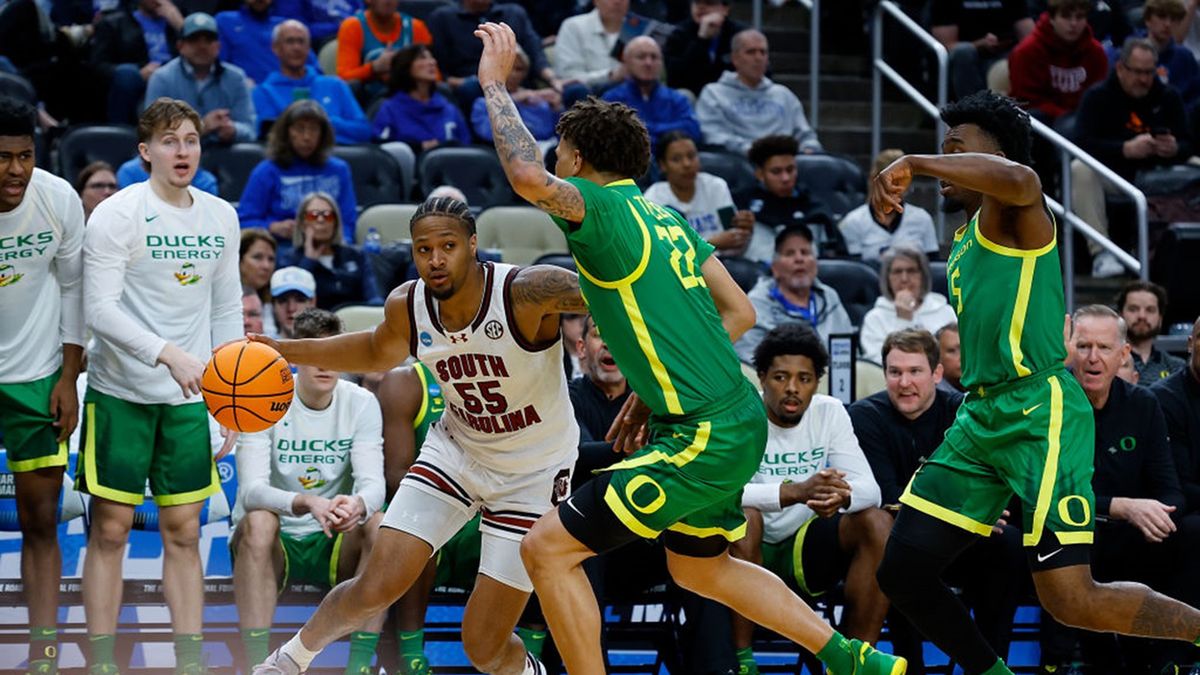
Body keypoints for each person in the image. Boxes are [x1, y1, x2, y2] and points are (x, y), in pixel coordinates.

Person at [473, 22, 906, 675]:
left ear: (580, 158)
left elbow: (524, 175)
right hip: (728, 416)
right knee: (700, 566)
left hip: (704, 431)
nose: (555, 157)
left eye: (560, 147)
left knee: (546, 548)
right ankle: (847, 655)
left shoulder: (602, 210)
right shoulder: (663, 217)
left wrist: (492, 84)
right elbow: (739, 311)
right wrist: (659, 388)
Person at [870, 89, 1200, 675]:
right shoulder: (966, 234)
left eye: (957, 150)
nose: (945, 162)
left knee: (1071, 601)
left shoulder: (1020, 208)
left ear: (991, 159)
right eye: (940, 151)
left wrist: (916, 163)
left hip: (1039, 412)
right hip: (980, 416)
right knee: (902, 571)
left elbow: (1018, 177)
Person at [250, 196, 588, 675]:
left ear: (474, 245)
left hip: (533, 472)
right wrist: (283, 348)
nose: (435, 259)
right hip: (457, 451)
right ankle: (290, 660)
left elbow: (614, 296)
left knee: (484, 646)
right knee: (376, 586)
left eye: (447, 245)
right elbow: (373, 350)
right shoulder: (408, 305)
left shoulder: (527, 290)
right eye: (422, 248)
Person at [79, 97, 241, 675]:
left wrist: (230, 406)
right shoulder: (116, 215)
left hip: (189, 400)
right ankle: (101, 662)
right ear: (145, 152)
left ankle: (189, 663)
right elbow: (97, 310)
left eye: (192, 140)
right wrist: (166, 353)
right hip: (119, 392)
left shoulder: (222, 215)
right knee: (111, 529)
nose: (183, 151)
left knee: (183, 531)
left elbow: (226, 313)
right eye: (170, 141)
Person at [850, 329, 1025, 674]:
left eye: (915, 371)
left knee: (1008, 545)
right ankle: (910, 666)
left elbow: (992, 486)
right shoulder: (865, 416)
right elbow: (887, 496)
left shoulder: (963, 413)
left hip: (964, 540)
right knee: (897, 555)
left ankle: (992, 659)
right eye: (894, 372)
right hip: (906, 539)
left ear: (937, 374)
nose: (904, 382)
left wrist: (975, 514)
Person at [1043, 304, 1199, 672]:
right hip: (1064, 532)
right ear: (1068, 349)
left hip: (1128, 535)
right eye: (1083, 346)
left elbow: (1170, 489)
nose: (1092, 358)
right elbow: (1044, 497)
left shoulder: (1143, 404)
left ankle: (1172, 660)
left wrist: (1155, 514)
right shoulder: (1047, 405)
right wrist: (1122, 506)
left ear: (1124, 355)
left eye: (1104, 348)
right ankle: (1076, 663)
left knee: (1184, 535)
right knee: (1081, 541)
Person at [234, 308, 387, 674]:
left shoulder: (362, 402)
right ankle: (258, 664)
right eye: (313, 354)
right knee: (258, 521)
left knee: (379, 524)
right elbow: (251, 491)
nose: (324, 364)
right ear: (294, 359)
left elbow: (374, 484)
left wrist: (357, 504)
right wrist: (305, 502)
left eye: (332, 353)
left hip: (335, 537)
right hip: (278, 542)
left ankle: (359, 668)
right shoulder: (263, 399)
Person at [733, 323, 892, 675]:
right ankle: (742, 661)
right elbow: (728, 492)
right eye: (780, 377)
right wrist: (794, 491)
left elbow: (871, 489)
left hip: (806, 548)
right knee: (744, 515)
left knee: (876, 521)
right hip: (746, 550)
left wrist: (838, 497)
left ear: (817, 382)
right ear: (761, 377)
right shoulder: (743, 415)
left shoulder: (830, 411)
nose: (792, 388)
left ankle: (855, 659)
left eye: (804, 379)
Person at [0, 96, 84, 675]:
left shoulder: (58, 198)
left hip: (37, 379)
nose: (15, 170)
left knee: (40, 520)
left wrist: (68, 377)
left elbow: (76, 290)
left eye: (25, 156)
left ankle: (45, 654)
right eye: (3, 158)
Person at [1072, 38, 1192, 278]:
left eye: (1149, 72)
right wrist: (1124, 149)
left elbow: (1190, 141)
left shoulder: (1168, 96)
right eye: (1137, 72)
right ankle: (1101, 252)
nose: (1144, 79)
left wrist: (1175, 148)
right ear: (1120, 68)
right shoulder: (1098, 96)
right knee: (1079, 169)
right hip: (1116, 176)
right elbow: (1081, 142)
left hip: (1160, 175)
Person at [238, 99, 359, 248]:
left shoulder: (339, 170)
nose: (307, 137)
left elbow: (348, 221)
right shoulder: (266, 171)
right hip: (282, 250)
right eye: (300, 129)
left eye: (313, 129)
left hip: (329, 249)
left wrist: (340, 246)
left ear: (323, 134)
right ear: (287, 133)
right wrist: (272, 227)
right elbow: (245, 221)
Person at [734, 224, 854, 363]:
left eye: (805, 252)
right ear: (775, 268)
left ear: (815, 264)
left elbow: (849, 351)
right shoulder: (756, 303)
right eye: (790, 253)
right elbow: (748, 360)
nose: (799, 259)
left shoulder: (829, 296)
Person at [696, 29, 821, 156]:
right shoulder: (714, 93)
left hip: (786, 163)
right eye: (751, 52)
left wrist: (809, 147)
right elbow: (713, 135)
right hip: (739, 162)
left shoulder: (783, 95)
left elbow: (806, 135)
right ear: (735, 58)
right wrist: (754, 151)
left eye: (763, 52)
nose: (758, 58)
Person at [144, 12, 258, 145]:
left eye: (208, 40)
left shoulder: (236, 78)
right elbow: (153, 132)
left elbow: (251, 129)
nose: (202, 46)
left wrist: (233, 129)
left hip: (223, 156)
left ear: (218, 46)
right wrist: (201, 127)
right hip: (174, 158)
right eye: (194, 39)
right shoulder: (162, 78)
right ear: (180, 46)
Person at [253, 20, 371, 145]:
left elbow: (363, 131)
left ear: (309, 47)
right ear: (276, 48)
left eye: (301, 41)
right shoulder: (263, 92)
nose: (296, 47)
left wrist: (326, 123)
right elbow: (271, 137)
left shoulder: (336, 85)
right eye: (290, 41)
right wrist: (330, 132)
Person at [643, 130, 753, 255]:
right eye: (676, 159)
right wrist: (711, 243)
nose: (687, 164)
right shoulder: (654, 198)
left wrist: (745, 231)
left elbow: (734, 241)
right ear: (663, 165)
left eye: (691, 156)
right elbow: (664, 252)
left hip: (724, 264)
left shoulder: (716, 186)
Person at [736, 135, 841, 264]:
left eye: (790, 170)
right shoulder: (741, 204)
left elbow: (836, 254)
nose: (785, 178)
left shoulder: (815, 207)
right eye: (776, 172)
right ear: (760, 174)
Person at [1006, 0, 1107, 127]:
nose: (1073, 24)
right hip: (1042, 123)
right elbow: (1025, 101)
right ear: (1052, 18)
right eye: (1066, 17)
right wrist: (1065, 115)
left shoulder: (1096, 52)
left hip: (1083, 119)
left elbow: (1100, 95)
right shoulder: (1027, 51)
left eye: (1080, 17)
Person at [600, 35, 701, 157]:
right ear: (626, 62)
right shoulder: (611, 100)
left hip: (672, 166)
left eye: (654, 57)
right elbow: (612, 140)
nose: (648, 63)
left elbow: (692, 131)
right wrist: (668, 134)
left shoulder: (677, 99)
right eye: (641, 57)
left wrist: (644, 129)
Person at [283, 191, 383, 309]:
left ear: (336, 223)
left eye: (327, 215)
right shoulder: (289, 259)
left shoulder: (357, 255)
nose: (321, 220)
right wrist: (309, 260)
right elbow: (291, 304)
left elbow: (374, 296)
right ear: (302, 223)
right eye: (313, 215)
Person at [837, 149, 939, 264]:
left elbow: (932, 270)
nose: (895, 189)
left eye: (901, 182)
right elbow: (855, 273)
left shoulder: (922, 219)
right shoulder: (852, 222)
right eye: (890, 182)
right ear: (874, 180)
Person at [89, 0, 184, 124]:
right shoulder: (114, 22)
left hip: (176, 77)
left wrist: (181, 25)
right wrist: (139, 72)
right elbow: (97, 65)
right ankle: (119, 134)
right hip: (139, 81)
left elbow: (204, 57)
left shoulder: (179, 21)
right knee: (127, 74)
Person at [859, 245, 957, 364]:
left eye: (911, 271)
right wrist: (903, 319)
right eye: (897, 272)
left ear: (923, 276)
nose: (904, 279)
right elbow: (876, 366)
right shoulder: (875, 319)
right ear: (887, 278)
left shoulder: (946, 312)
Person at [372, 44, 471, 151]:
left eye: (431, 57)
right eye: (422, 58)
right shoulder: (389, 109)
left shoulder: (448, 108)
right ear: (405, 66)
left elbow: (466, 147)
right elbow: (381, 149)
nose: (432, 62)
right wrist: (417, 147)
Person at [930, 0, 1034, 98]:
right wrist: (979, 45)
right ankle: (972, 110)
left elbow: (1030, 35)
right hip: (966, 59)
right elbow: (946, 46)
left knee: (1023, 53)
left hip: (1003, 53)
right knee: (963, 52)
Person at [334, 0, 432, 102]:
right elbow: (344, 78)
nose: (388, 1)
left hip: (413, 95)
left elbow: (435, 74)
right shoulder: (353, 26)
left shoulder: (415, 27)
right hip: (372, 99)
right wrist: (374, 68)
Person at [1110, 0, 1200, 109]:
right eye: (1161, 17)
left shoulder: (1185, 57)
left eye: (1173, 19)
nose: (1167, 24)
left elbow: (1194, 98)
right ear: (1148, 20)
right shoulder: (1127, 53)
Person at [469, 45, 560, 146]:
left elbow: (557, 134)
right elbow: (487, 133)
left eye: (519, 69)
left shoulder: (539, 100)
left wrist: (556, 109)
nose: (514, 74)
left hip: (547, 148)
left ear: (525, 73)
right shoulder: (482, 104)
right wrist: (512, 100)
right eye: (508, 68)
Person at [216, 0, 316, 86]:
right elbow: (218, 67)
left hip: (286, 93)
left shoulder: (286, 27)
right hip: (245, 93)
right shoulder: (225, 22)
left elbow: (315, 69)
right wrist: (239, 83)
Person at [664, 0, 747, 98]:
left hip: (731, 96)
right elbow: (675, 78)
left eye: (709, 3)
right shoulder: (679, 33)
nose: (701, 7)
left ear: (725, 9)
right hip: (694, 95)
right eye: (696, 3)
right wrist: (701, 39)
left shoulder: (740, 35)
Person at [1116, 280, 1186, 384]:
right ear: (1120, 315)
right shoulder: (1109, 361)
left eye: (1150, 310)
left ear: (1160, 319)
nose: (1142, 316)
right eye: (1133, 309)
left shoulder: (1177, 367)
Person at [115, 154, 220, 195]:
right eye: (169, 142)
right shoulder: (129, 171)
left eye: (190, 141)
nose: (182, 152)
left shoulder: (206, 181)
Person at [270, 266, 317, 339]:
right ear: (273, 305)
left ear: (312, 302)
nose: (291, 308)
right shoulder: (261, 347)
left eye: (300, 300)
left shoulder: (327, 347)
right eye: (283, 300)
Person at [241, 227, 278, 304]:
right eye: (257, 257)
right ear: (239, 260)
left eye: (271, 259)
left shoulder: (277, 303)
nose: (266, 266)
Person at [935, 322, 965, 393]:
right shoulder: (932, 396)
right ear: (937, 357)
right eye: (952, 351)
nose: (963, 357)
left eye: (967, 350)